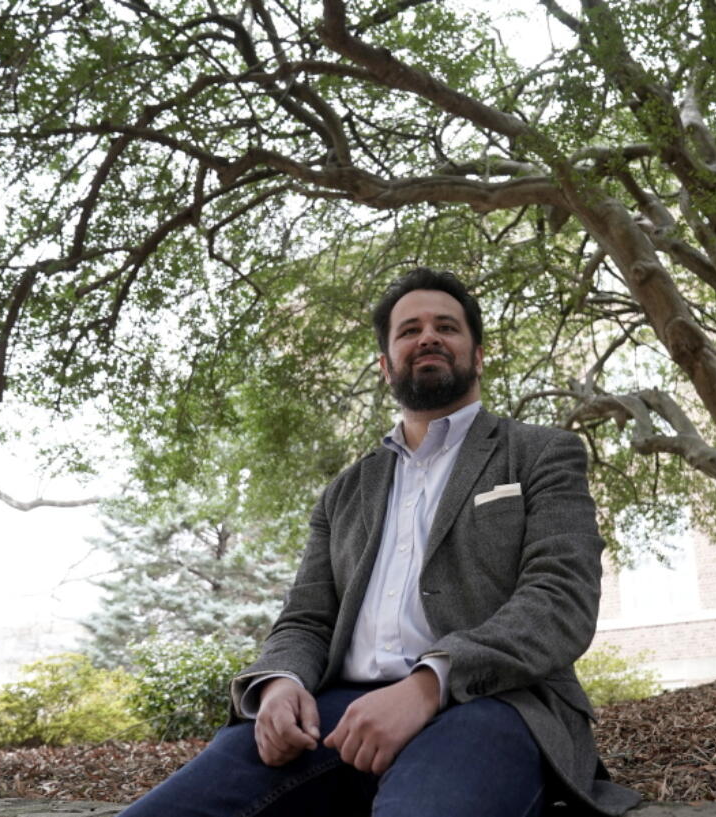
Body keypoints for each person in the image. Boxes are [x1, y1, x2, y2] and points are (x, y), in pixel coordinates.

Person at [120, 268, 641, 817]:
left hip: (495, 704)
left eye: (447, 326)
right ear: (386, 365)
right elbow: (305, 619)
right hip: (337, 714)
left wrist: (426, 685)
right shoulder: (344, 492)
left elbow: (560, 601)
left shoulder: (540, 454)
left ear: (478, 354)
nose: (428, 337)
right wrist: (280, 683)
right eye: (409, 329)